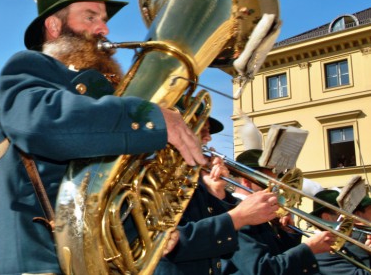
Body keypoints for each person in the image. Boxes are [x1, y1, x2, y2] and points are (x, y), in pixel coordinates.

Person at [0, 0, 213, 273]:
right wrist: (151, 118)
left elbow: (106, 195)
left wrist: (149, 228)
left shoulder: (106, 101)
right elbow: (41, 123)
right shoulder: (29, 66)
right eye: (90, 17)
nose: (103, 29)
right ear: (54, 25)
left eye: (104, 19)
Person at [156, 117, 282, 275]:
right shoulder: (156, 178)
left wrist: (218, 193)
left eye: (208, 132)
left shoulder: (196, 184)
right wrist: (239, 217)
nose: (208, 138)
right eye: (202, 129)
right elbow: (166, 243)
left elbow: (223, 251)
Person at [219, 149, 334, 275]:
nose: (276, 193)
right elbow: (261, 269)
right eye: (271, 186)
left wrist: (287, 232)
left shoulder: (259, 215)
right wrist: (309, 248)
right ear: (248, 182)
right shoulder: (236, 213)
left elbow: (281, 259)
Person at [312, 189, 371, 274]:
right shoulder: (322, 252)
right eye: (343, 216)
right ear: (327, 218)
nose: (350, 220)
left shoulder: (348, 242)